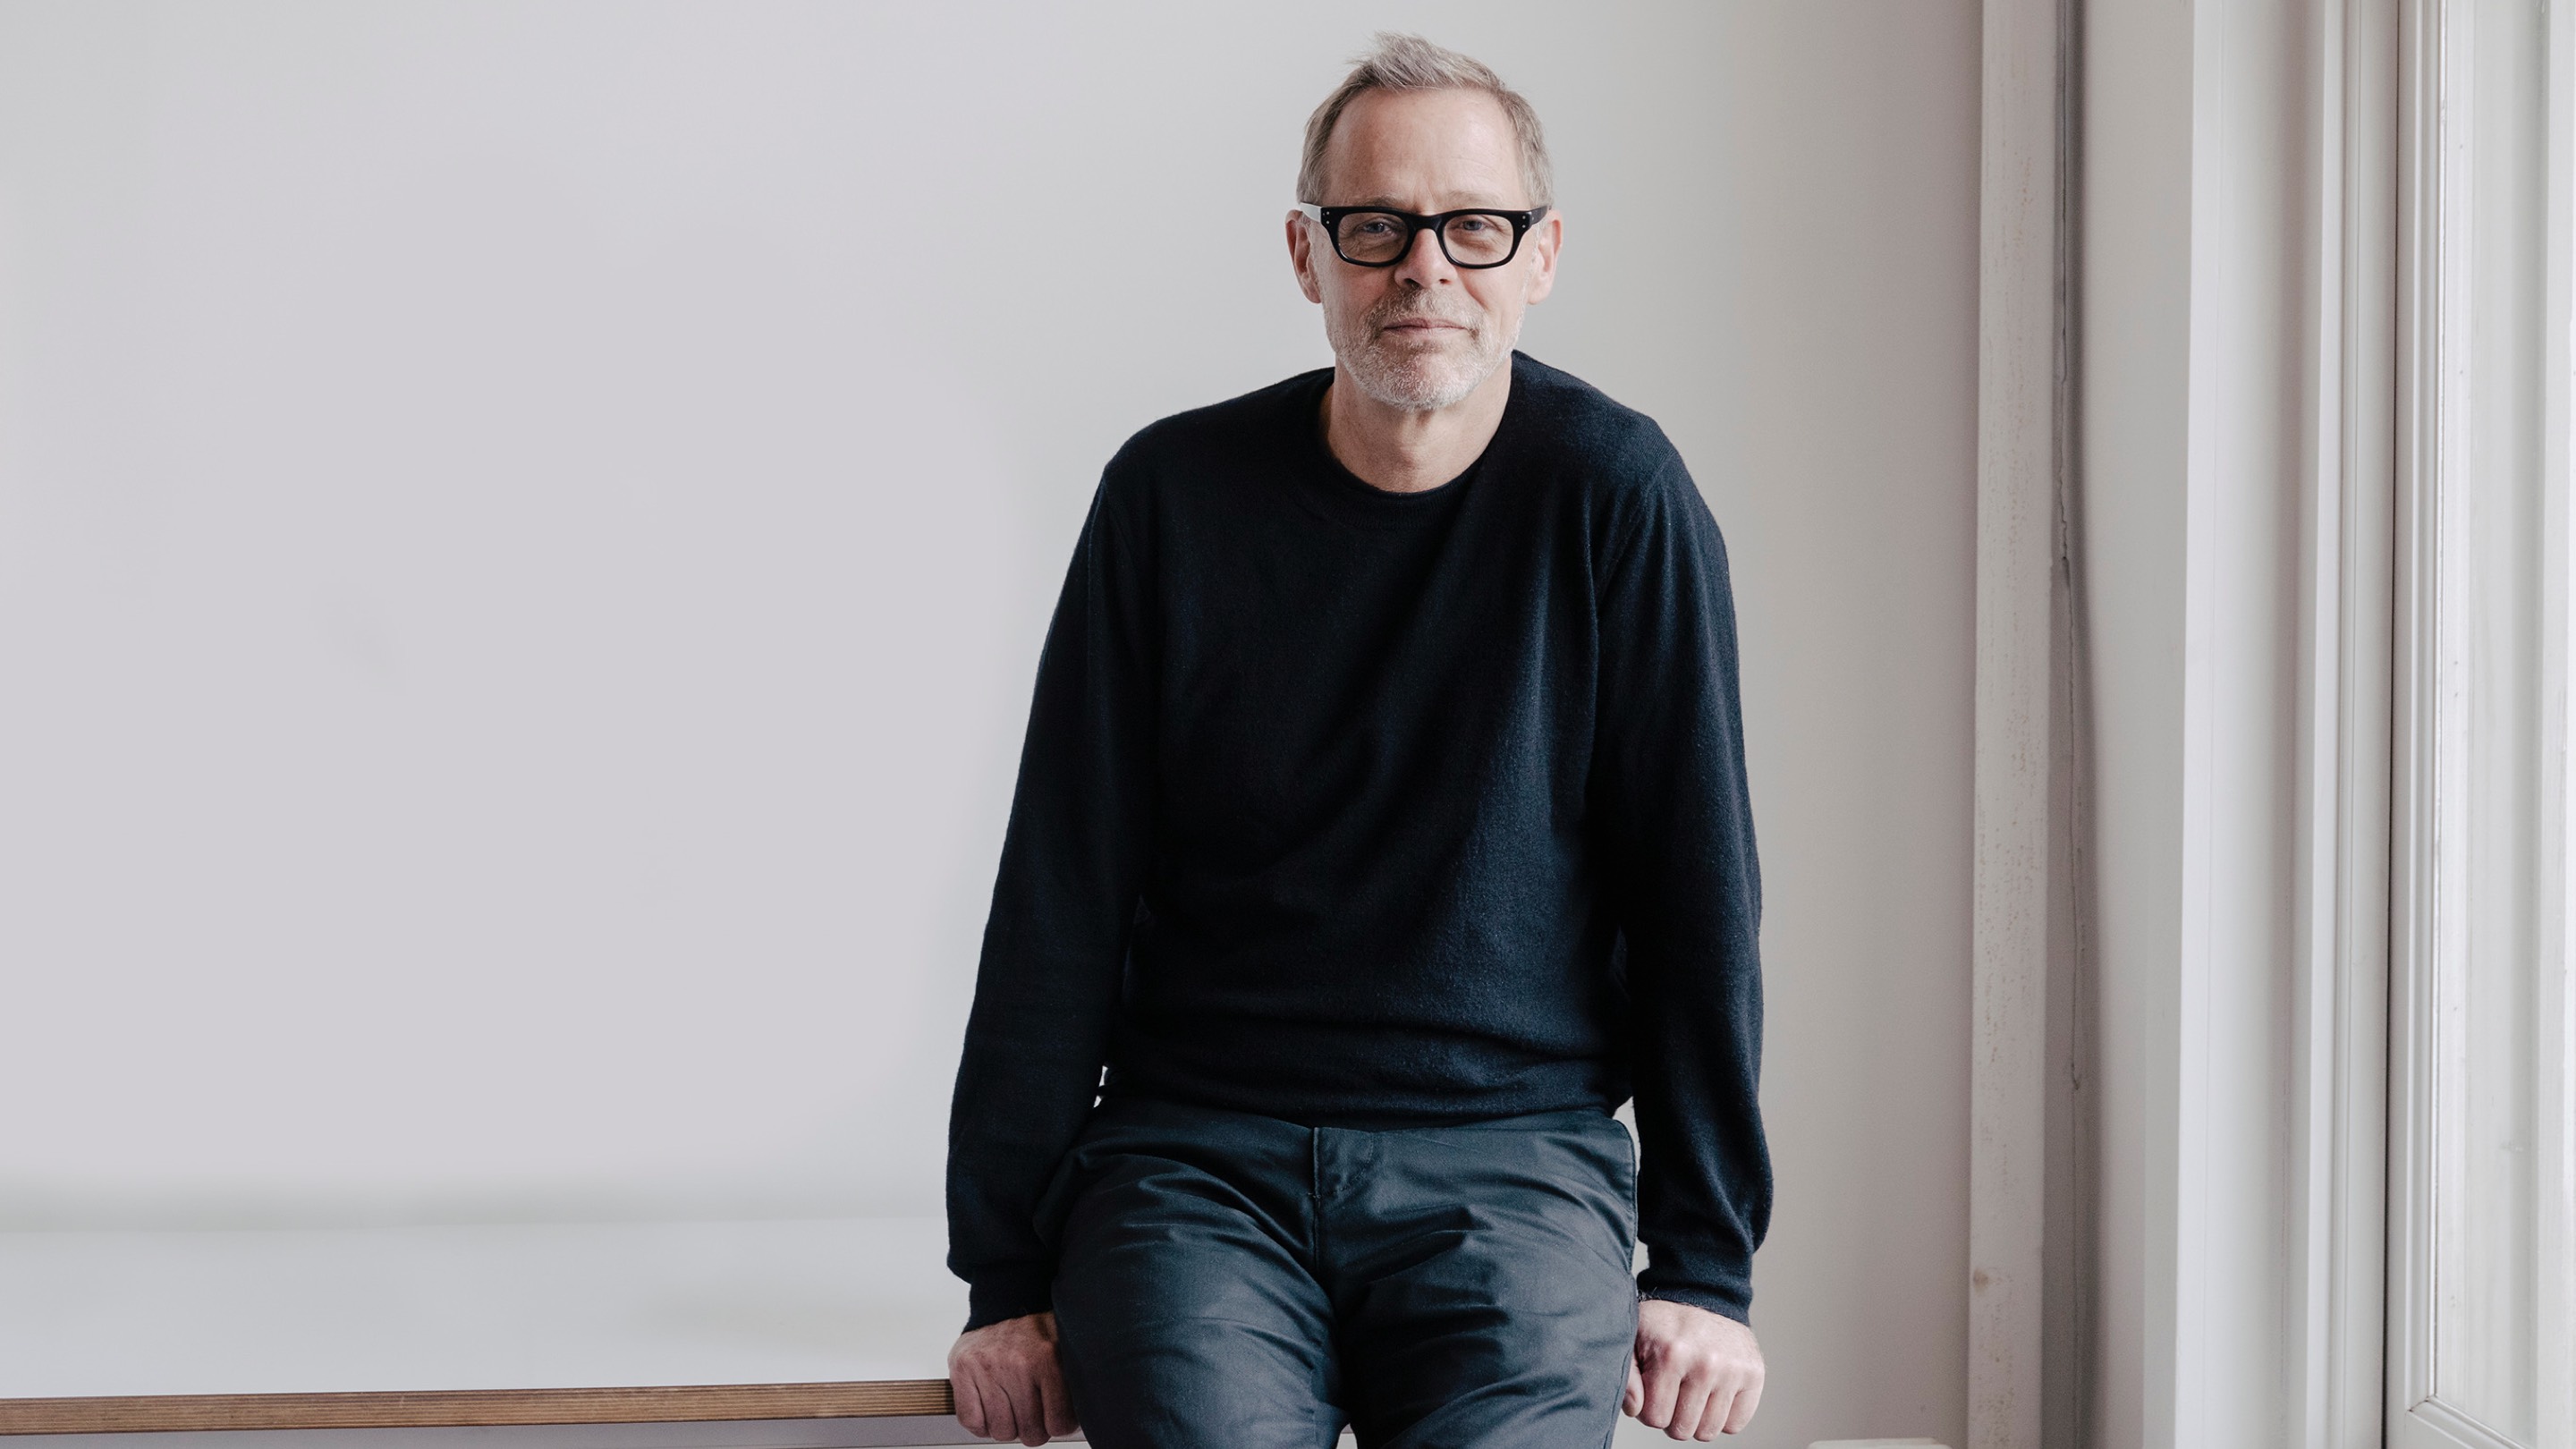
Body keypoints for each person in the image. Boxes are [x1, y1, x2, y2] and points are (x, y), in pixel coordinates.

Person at [942, 32, 1768, 1448]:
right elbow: (1059, 894)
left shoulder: (1616, 498)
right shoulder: (1170, 500)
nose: (1426, 269)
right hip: (1195, 1167)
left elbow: (1698, 896)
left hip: (1518, 1168)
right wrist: (1003, 1271)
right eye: (1377, 227)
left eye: (1475, 227)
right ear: (1306, 252)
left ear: (1543, 253)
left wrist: (1705, 1265)